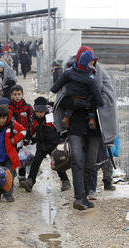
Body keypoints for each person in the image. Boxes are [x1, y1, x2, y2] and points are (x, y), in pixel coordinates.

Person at [51, 46, 116, 210]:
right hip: (75, 123)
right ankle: (78, 197)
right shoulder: (69, 73)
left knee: (91, 162)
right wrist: (73, 103)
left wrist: (91, 103)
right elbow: (60, 97)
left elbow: (108, 98)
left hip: (94, 125)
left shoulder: (101, 74)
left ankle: (85, 195)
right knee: (78, 159)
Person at [24, 97, 71, 193]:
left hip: (53, 145)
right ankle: (30, 181)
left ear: (45, 110)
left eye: (41, 112)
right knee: (35, 163)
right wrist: (27, 139)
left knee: (58, 163)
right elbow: (31, 130)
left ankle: (65, 181)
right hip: (41, 146)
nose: (39, 114)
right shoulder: (34, 119)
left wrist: (63, 137)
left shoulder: (51, 117)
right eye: (37, 112)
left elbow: (59, 127)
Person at [51, 50, 104, 130]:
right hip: (85, 99)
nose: (92, 66)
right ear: (86, 64)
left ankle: (66, 117)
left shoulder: (68, 72)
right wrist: (100, 102)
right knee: (91, 107)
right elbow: (96, 92)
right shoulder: (90, 78)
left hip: (71, 98)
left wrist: (54, 90)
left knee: (70, 108)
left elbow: (57, 85)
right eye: (91, 64)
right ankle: (92, 119)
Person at [7, 85, 33, 187]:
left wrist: (30, 135)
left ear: (23, 95)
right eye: (15, 95)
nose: (17, 96)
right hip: (13, 137)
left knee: (23, 157)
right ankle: (11, 177)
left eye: (19, 94)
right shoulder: (8, 108)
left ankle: (22, 178)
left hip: (25, 136)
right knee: (12, 156)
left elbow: (32, 121)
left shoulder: (28, 107)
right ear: (11, 96)